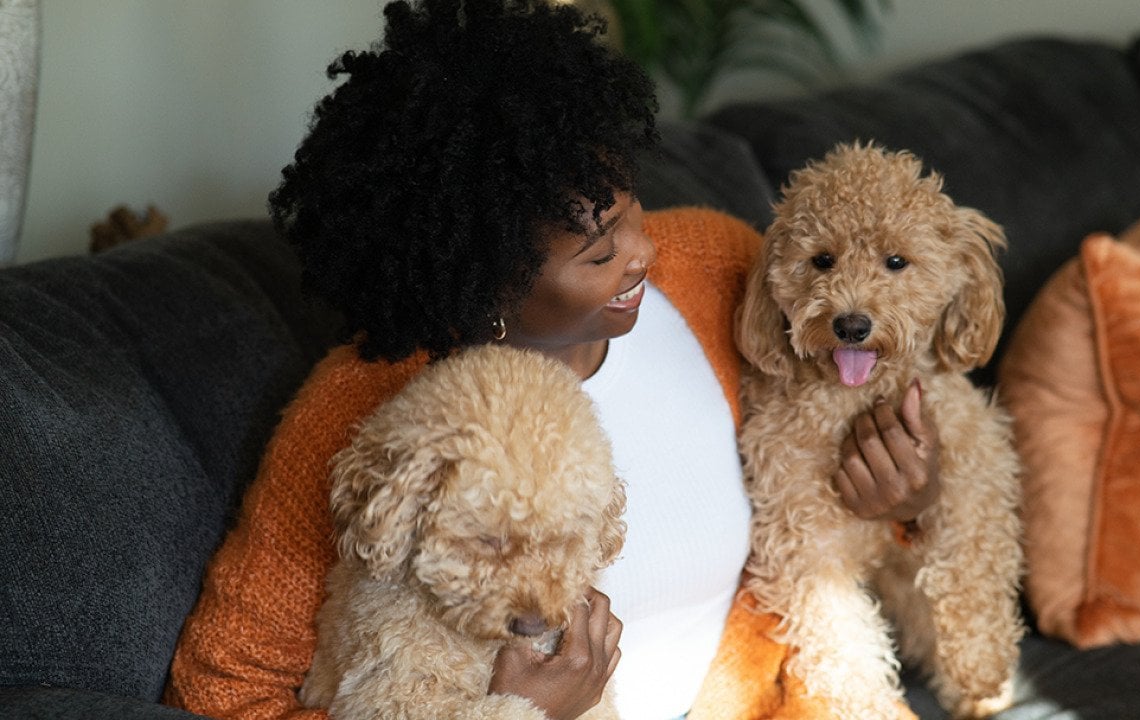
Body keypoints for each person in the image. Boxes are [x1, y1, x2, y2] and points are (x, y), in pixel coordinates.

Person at [164, 1, 940, 719]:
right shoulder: (370, 416)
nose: (643, 252)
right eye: (598, 252)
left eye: (630, 207)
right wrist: (513, 712)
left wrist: (910, 502)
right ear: (485, 277)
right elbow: (226, 693)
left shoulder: (721, 273)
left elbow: (838, 483)